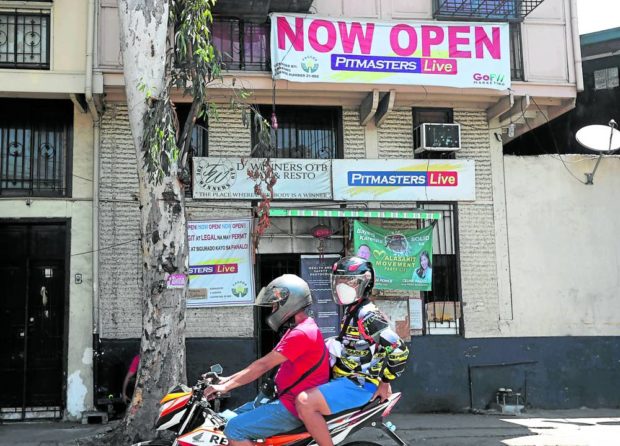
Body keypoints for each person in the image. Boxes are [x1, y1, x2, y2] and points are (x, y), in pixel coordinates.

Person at [295, 256, 409, 446]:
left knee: (304, 402)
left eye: (349, 281)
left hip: (357, 385)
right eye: (339, 280)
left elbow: (399, 350)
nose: (342, 286)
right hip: (344, 380)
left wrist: (385, 382)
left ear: (364, 284)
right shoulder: (352, 311)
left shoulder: (367, 315)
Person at [203, 274, 329, 446]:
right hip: (278, 398)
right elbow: (261, 364)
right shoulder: (299, 328)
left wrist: (225, 387)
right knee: (221, 420)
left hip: (290, 407)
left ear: (289, 302)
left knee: (233, 429)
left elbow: (262, 365)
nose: (272, 310)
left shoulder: (301, 333)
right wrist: (226, 380)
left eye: (275, 305)